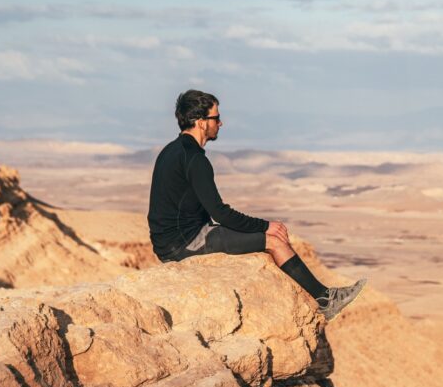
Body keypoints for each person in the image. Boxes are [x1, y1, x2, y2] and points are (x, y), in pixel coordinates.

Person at [147, 89, 366, 320]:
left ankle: (322, 297)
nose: (221, 123)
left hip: (171, 240)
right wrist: (265, 226)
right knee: (274, 241)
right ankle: (326, 300)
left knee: (261, 236)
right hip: (184, 243)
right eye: (216, 118)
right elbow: (220, 213)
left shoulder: (171, 151)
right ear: (201, 123)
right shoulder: (195, 160)